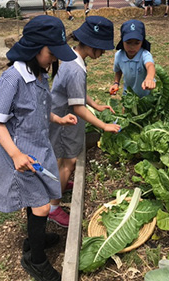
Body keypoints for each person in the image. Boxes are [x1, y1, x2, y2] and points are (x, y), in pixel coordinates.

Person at [0, 16, 77, 281]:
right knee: (40, 205)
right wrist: (15, 154)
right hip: (20, 156)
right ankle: (35, 259)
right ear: (35, 48)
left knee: (37, 201)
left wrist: (58, 119)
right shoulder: (11, 78)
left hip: (39, 150)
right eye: (51, 53)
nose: (52, 59)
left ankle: (34, 238)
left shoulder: (40, 75)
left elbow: (39, 109)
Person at [49, 17, 121, 225]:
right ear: (90, 44)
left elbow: (78, 94)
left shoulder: (72, 57)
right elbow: (78, 107)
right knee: (68, 161)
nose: (104, 53)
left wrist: (96, 105)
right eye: (102, 48)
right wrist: (103, 125)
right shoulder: (75, 70)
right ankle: (53, 208)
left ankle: (61, 184)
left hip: (65, 115)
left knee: (66, 159)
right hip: (65, 119)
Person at [109, 19, 156, 97]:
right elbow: (118, 70)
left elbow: (150, 66)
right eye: (128, 42)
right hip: (129, 93)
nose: (132, 47)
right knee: (126, 108)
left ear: (142, 42)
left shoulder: (145, 54)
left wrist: (150, 78)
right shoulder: (119, 55)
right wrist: (116, 83)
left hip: (146, 94)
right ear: (122, 41)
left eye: (137, 43)